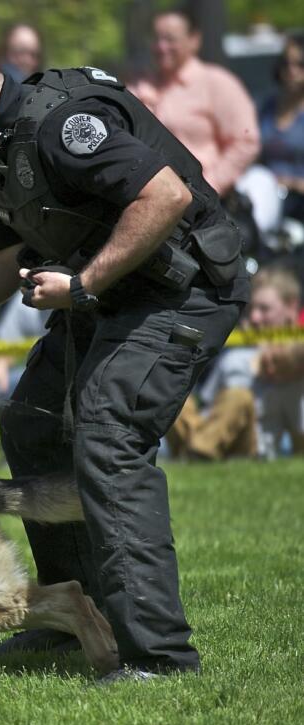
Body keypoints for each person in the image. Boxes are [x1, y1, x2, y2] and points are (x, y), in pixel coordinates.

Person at [0, 26, 248, 682]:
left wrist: (84, 283)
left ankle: (159, 654)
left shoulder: (62, 126)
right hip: (111, 292)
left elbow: (167, 196)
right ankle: (76, 619)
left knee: (108, 433)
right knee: (32, 424)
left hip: (184, 289)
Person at [169, 266, 304, 460]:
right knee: (173, 395)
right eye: (252, 309)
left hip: (248, 449)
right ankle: (197, 451)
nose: (255, 317)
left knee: (238, 397)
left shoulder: (297, 366)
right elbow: (208, 407)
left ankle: (195, 453)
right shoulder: (233, 357)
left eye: (264, 309)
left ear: (291, 306)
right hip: (211, 433)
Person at [128, 8, 259, 198]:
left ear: (194, 40)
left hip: (202, 203)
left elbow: (245, 141)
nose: (161, 46)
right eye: (156, 39)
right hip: (145, 198)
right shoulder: (138, 84)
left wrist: (210, 186)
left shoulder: (216, 83)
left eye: (170, 39)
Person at [258, 31, 304, 224]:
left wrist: (295, 183)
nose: (292, 71)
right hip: (268, 199)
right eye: (286, 63)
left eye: (300, 64)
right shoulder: (266, 106)